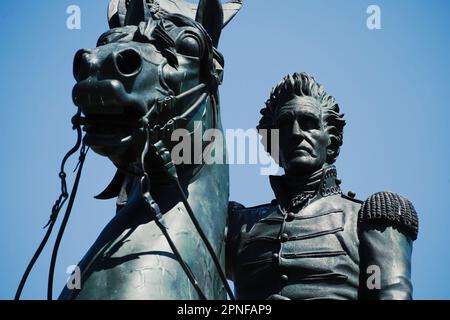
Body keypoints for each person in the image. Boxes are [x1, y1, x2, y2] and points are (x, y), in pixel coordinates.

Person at [226, 72, 418, 300]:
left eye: (308, 124)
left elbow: (390, 296)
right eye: (285, 126)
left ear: (332, 139)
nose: (296, 133)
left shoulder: (369, 220)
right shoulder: (238, 226)